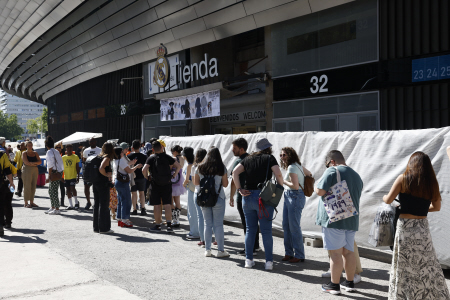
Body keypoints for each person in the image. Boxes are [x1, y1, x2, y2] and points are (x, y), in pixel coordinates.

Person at [383, 152, 449, 299]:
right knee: (427, 263)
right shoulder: (432, 183)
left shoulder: (403, 178)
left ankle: (404, 295)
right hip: (422, 227)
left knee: (405, 263)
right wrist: (422, 208)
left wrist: (385, 198)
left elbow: (388, 200)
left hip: (405, 227)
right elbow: (436, 207)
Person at [315, 150, 363, 295]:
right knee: (349, 253)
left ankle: (334, 285)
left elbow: (320, 191)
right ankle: (349, 283)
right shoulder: (356, 175)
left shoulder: (332, 171)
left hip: (334, 219)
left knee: (335, 254)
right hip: (351, 219)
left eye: (327, 164)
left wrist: (316, 186)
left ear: (332, 161)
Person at [232, 138, 283, 271]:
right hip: (264, 197)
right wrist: (279, 188)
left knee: (250, 229)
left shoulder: (247, 159)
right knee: (266, 231)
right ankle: (269, 263)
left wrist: (239, 189)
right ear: (268, 148)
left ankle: (248, 260)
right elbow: (278, 174)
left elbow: (234, 172)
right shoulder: (269, 158)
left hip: (247, 196)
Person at [194, 147, 229, 258]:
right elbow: (225, 184)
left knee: (207, 224)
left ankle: (208, 250)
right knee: (218, 225)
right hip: (218, 198)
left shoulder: (200, 167)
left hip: (204, 198)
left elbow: (196, 182)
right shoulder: (221, 167)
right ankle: (220, 251)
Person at [279, 147, 312, 263]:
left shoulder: (293, 167)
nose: (282, 157)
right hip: (292, 196)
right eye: (281, 155)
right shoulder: (297, 166)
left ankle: (299, 254)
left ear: (290, 155)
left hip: (294, 195)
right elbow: (310, 174)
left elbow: (295, 185)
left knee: (293, 227)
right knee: (287, 225)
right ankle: (289, 253)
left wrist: (283, 181)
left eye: (284, 155)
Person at [229, 138, 261, 256]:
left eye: (234, 148)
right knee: (254, 223)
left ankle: (251, 248)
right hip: (255, 194)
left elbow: (233, 180)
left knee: (247, 224)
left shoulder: (239, 162)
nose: (232, 150)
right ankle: (256, 246)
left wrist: (232, 196)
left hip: (243, 195)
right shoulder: (253, 159)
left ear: (241, 149)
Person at [143, 141, 181, 233]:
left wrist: (147, 177)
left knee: (157, 205)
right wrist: (174, 175)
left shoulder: (151, 158)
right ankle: (169, 225)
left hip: (155, 184)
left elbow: (144, 169)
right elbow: (178, 166)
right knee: (167, 204)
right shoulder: (168, 157)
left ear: (152, 149)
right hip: (167, 183)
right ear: (161, 148)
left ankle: (157, 225)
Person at [114, 144, 142, 228]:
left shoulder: (116, 160)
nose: (123, 152)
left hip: (118, 181)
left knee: (120, 200)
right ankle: (125, 219)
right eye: (122, 151)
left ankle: (119, 218)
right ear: (120, 153)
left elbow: (125, 165)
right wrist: (136, 166)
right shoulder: (121, 160)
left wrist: (132, 163)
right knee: (126, 201)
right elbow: (129, 170)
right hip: (123, 182)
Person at [94, 142, 116, 234]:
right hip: (103, 184)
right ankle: (104, 228)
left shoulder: (98, 156)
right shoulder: (106, 158)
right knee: (104, 205)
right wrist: (106, 175)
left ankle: (96, 227)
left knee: (97, 204)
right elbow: (101, 168)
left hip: (96, 183)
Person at [182, 147, 199, 239]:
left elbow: (186, 180)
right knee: (197, 212)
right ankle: (197, 231)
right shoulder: (195, 163)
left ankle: (194, 232)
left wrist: (183, 185)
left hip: (191, 189)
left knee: (192, 212)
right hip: (196, 188)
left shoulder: (189, 165)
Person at [127, 140, 148, 216]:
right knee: (142, 193)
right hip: (142, 176)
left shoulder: (129, 156)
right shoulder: (144, 156)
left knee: (134, 193)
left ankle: (135, 209)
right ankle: (143, 209)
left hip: (132, 176)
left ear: (132, 147)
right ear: (140, 146)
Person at [45, 136, 64, 215]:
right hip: (58, 172)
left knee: (53, 191)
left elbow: (50, 165)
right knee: (51, 190)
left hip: (53, 172)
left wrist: (49, 175)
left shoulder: (49, 152)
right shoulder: (56, 151)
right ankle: (53, 207)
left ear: (46, 145)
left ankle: (57, 208)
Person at [82, 138, 102, 210]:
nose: (92, 143)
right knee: (86, 187)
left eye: (93, 141)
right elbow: (84, 161)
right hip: (88, 172)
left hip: (97, 172)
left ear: (96, 142)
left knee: (97, 188)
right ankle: (88, 202)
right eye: (90, 141)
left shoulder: (100, 150)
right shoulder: (86, 150)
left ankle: (96, 203)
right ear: (89, 142)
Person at [193, 148, 207, 246]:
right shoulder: (209, 166)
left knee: (200, 217)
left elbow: (195, 182)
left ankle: (203, 239)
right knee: (211, 218)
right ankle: (215, 239)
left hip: (198, 192)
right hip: (209, 193)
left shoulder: (196, 167)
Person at [22, 141, 42, 208]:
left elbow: (40, 161)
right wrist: (34, 163)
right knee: (27, 186)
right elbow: (26, 162)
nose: (30, 146)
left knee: (33, 186)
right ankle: (26, 202)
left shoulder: (35, 153)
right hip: (26, 170)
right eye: (28, 145)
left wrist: (32, 163)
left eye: (31, 145)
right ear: (26, 146)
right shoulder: (24, 153)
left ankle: (31, 202)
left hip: (34, 170)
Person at [170, 145, 186, 227]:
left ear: (175, 151)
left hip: (173, 179)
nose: (172, 153)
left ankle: (174, 219)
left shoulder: (174, 159)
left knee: (171, 200)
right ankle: (177, 219)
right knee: (177, 200)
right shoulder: (183, 158)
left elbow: (171, 168)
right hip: (180, 179)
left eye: (172, 151)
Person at [0, 147, 14, 236]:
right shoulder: (2, 154)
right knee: (1, 204)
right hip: (1, 183)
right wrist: (11, 182)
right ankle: (0, 227)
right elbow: (7, 170)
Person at [62, 144, 80, 210]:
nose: (69, 149)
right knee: (68, 190)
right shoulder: (63, 157)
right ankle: (70, 204)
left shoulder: (75, 156)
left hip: (73, 176)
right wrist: (61, 176)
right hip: (66, 176)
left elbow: (77, 167)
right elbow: (61, 168)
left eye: (70, 148)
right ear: (66, 149)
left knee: (73, 188)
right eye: (68, 148)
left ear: (72, 149)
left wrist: (78, 176)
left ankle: (76, 202)